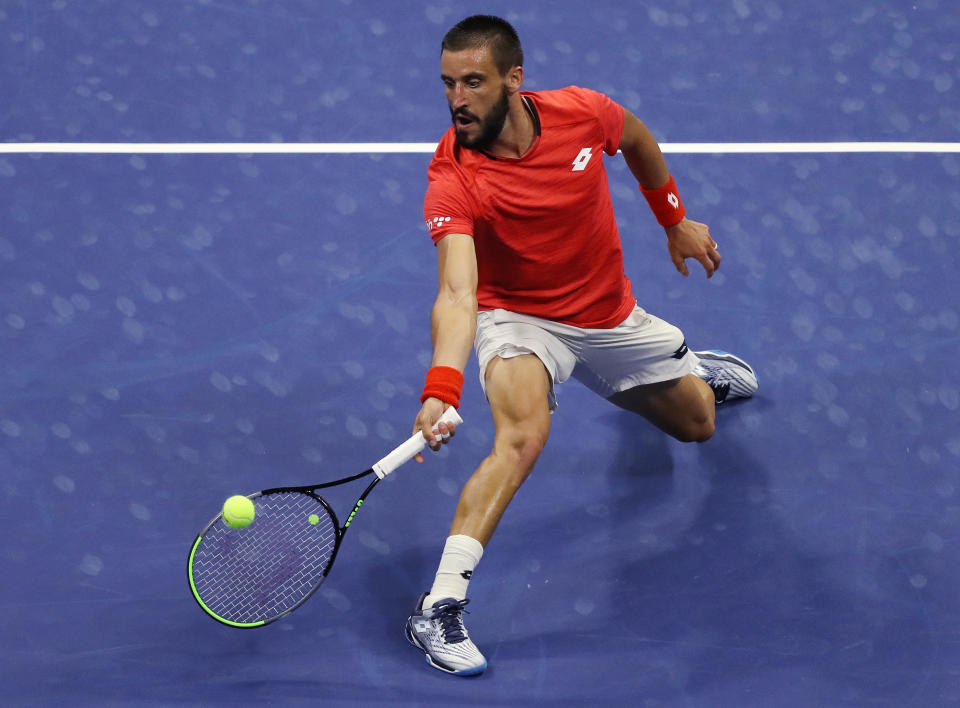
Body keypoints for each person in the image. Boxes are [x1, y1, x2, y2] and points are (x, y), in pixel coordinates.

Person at [404, 15, 758, 676]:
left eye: (474, 82)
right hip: (519, 320)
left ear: (515, 78)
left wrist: (674, 220)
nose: (458, 99)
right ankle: (440, 604)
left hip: (607, 316)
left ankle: (691, 373)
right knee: (522, 435)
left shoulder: (581, 115)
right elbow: (456, 294)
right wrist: (441, 389)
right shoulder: (453, 175)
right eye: (449, 83)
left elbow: (637, 138)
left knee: (698, 427)